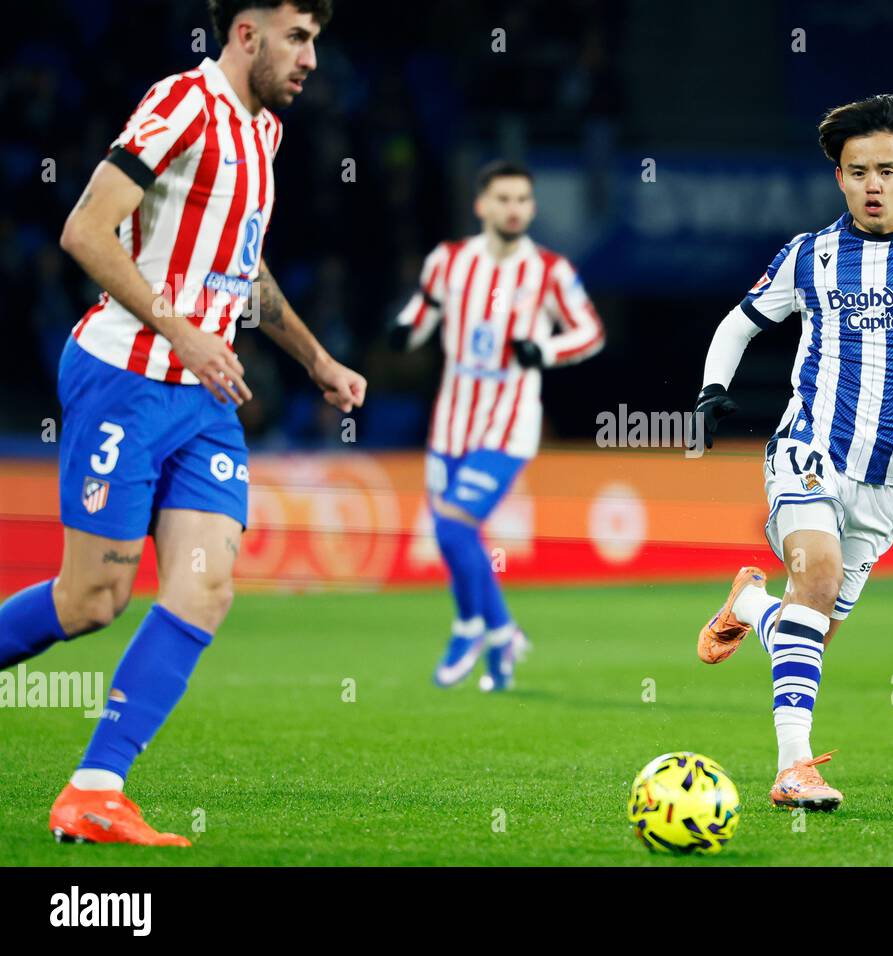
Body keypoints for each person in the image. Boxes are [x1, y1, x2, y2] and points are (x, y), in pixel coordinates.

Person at [0, 0, 365, 846]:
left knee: (206, 585)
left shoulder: (265, 132)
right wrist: (180, 327)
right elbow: (84, 230)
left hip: (204, 398)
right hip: (125, 376)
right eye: (298, 38)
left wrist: (314, 358)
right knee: (93, 599)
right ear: (246, 33)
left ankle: (94, 789)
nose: (311, 59)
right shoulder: (181, 104)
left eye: (317, 40)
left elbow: (244, 268)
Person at [693, 95, 893, 811]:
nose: (872, 184)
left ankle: (751, 604)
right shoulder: (810, 254)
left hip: (887, 485)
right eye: (856, 171)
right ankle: (792, 770)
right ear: (839, 179)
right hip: (809, 451)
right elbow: (738, 323)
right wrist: (712, 389)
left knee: (808, 631)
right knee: (816, 582)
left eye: (886, 170)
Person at [389, 161, 604, 691]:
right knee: (459, 535)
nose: (514, 209)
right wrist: (402, 334)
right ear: (481, 205)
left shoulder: (549, 270)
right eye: (503, 199)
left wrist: (545, 350)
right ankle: (504, 636)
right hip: (450, 424)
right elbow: (423, 310)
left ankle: (470, 628)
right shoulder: (449, 260)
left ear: (531, 208)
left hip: (509, 425)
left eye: (523, 200)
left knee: (454, 523)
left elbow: (590, 333)